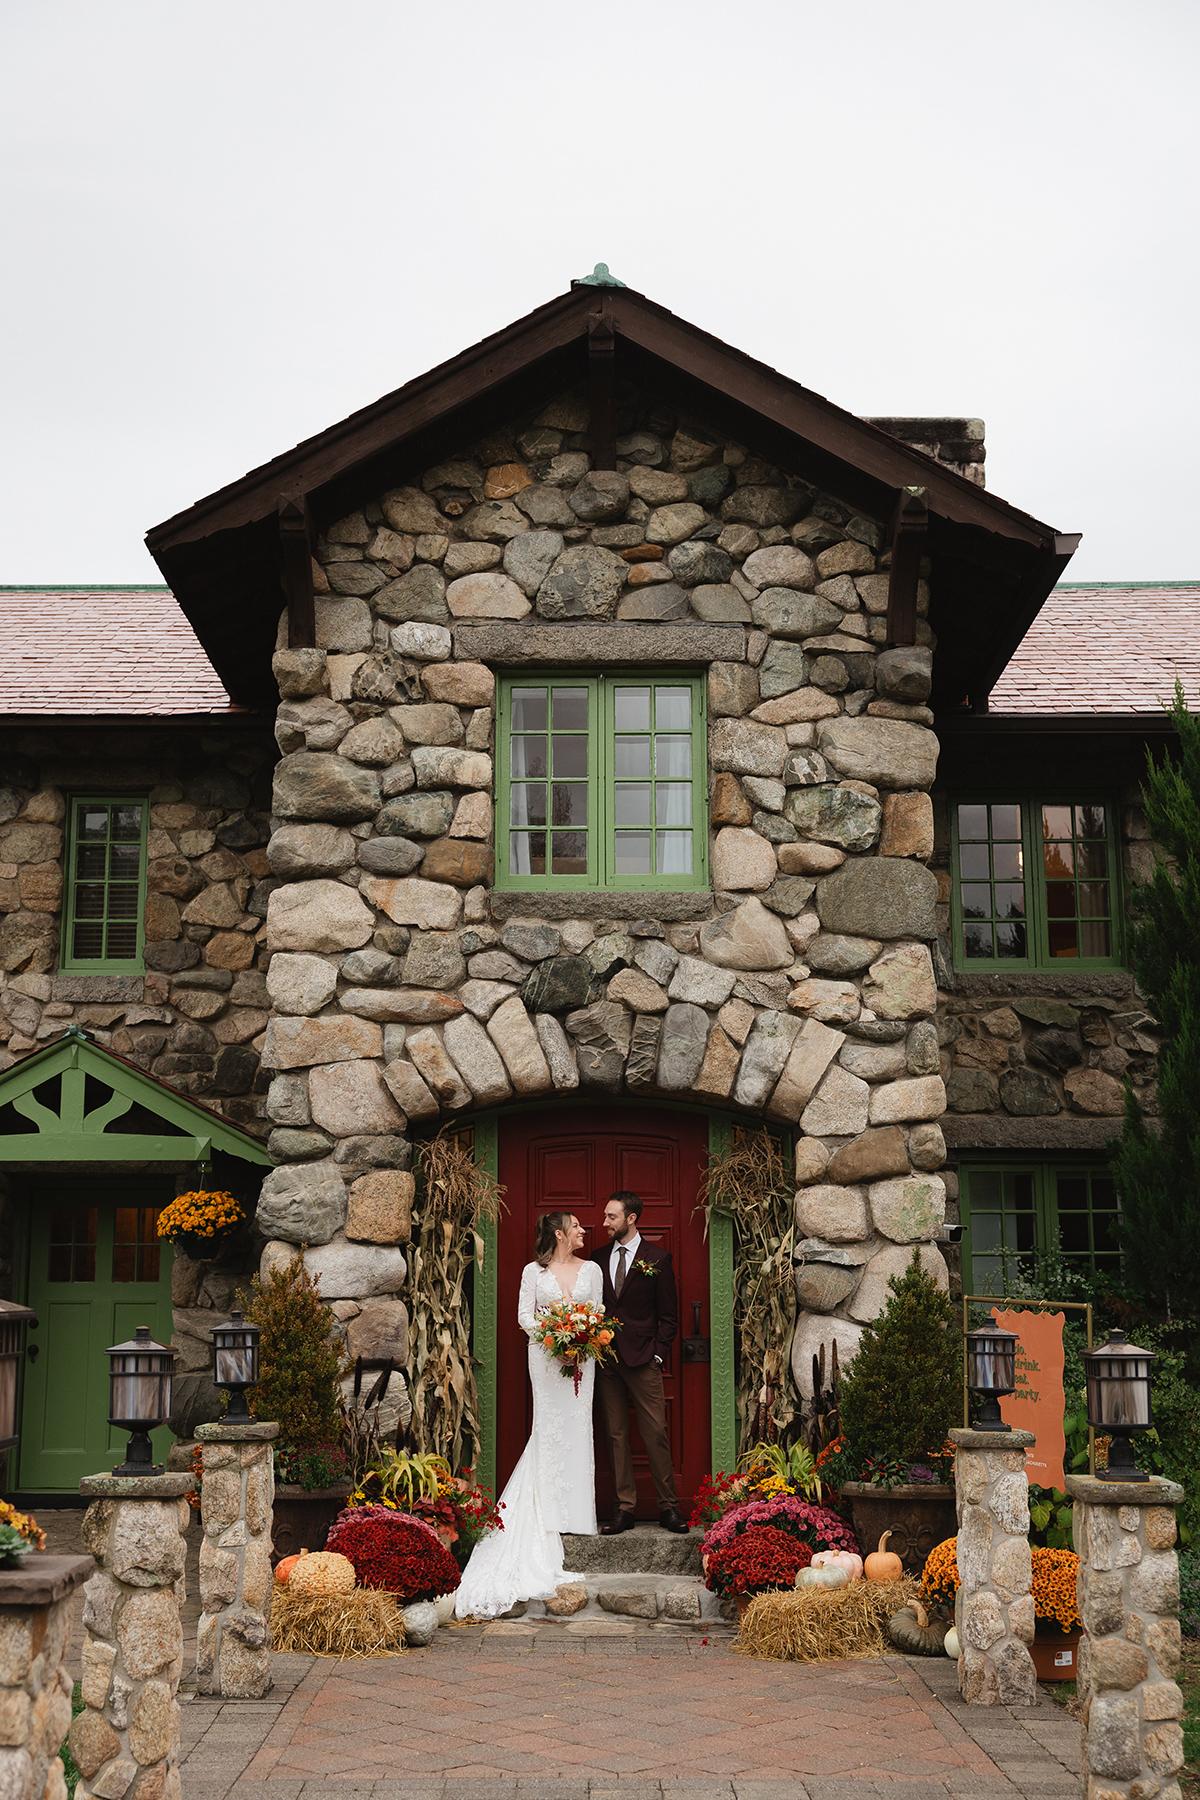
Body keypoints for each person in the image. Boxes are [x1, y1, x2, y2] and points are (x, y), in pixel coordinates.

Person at [454, 1211, 602, 1619]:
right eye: (576, 1226)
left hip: (582, 1361)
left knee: (577, 1427)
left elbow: (600, 1311)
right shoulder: (532, 1272)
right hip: (546, 1358)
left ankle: (577, 1511)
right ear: (559, 1233)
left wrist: (581, 1339)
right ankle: (546, 1508)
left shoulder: (592, 1270)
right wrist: (556, 1338)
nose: (582, 1231)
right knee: (549, 1428)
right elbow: (524, 1316)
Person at [592, 1190, 688, 1535]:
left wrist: (658, 1353)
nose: (604, 1223)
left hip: (644, 1359)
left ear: (631, 1218)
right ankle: (625, 1508)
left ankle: (669, 1508)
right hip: (607, 1361)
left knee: (655, 1433)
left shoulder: (657, 1258)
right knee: (616, 1435)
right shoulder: (597, 1258)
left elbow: (669, 1315)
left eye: (611, 1217)